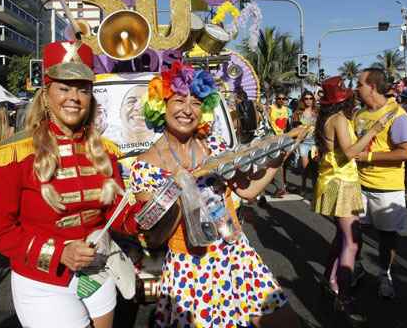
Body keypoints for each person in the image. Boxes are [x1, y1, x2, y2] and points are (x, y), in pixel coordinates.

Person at [130, 61, 303, 328]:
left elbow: (247, 190)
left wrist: (282, 153)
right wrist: (176, 192)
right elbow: (153, 238)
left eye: (197, 102)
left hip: (235, 253)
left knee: (284, 321)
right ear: (160, 105)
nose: (188, 110)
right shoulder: (145, 165)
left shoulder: (214, 145)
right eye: (178, 100)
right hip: (191, 269)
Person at [0, 41, 142, 328]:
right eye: (64, 88)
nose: (75, 97)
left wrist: (149, 210)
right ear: (45, 95)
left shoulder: (104, 151)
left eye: (83, 89)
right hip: (43, 283)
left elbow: (119, 216)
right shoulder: (15, 153)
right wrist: (58, 253)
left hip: (99, 271)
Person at [313, 76, 390, 324]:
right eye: (350, 98)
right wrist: (374, 132)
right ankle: (343, 297)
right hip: (342, 183)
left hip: (333, 180)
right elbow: (349, 152)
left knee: (341, 236)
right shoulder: (339, 119)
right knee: (352, 242)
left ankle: (330, 280)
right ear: (343, 101)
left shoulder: (326, 118)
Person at [354, 68, 407, 299]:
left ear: (372, 86)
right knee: (354, 231)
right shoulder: (359, 115)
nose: (356, 88)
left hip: (387, 188)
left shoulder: (397, 114)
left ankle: (384, 274)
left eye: (360, 84)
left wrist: (369, 157)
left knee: (387, 236)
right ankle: (356, 267)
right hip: (358, 185)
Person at [292, 91, 318, 196]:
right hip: (304, 143)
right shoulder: (298, 113)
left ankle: (315, 189)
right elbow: (294, 129)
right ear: (303, 100)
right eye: (306, 98)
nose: (308, 100)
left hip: (315, 143)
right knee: (305, 167)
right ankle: (303, 186)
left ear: (313, 99)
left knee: (315, 168)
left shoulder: (317, 112)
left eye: (310, 98)